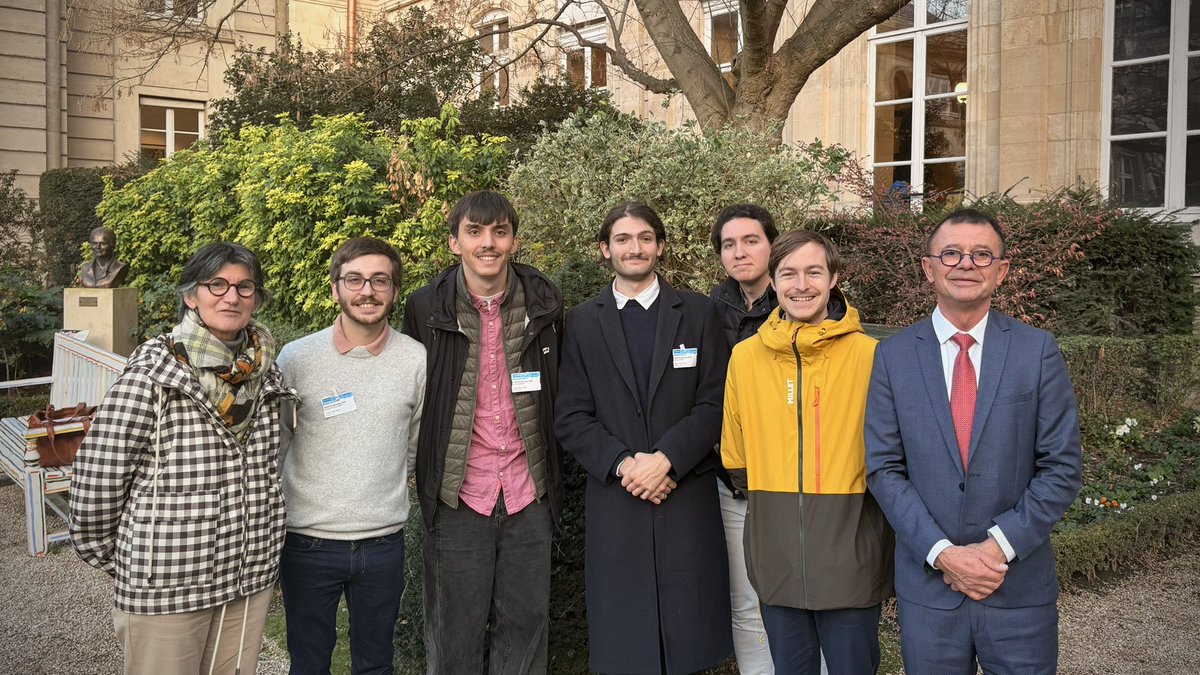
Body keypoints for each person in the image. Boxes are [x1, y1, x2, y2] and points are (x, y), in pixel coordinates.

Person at [865, 209, 1082, 673]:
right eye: (951, 253)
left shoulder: (1036, 351)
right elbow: (884, 468)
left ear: (1001, 271)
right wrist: (943, 554)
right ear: (928, 268)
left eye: (982, 254)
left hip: (1017, 587)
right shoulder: (892, 357)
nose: (966, 263)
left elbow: (1061, 466)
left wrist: (996, 548)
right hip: (930, 594)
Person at [71, 242, 293, 675]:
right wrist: (139, 560)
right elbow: (98, 480)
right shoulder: (153, 375)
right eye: (217, 285)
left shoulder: (266, 372)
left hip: (247, 578)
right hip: (167, 585)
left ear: (256, 298)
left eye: (244, 287)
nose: (231, 297)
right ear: (192, 296)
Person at [555, 202, 733, 674]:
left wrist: (667, 458)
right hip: (619, 497)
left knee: (690, 638)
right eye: (622, 239)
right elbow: (571, 415)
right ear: (604, 249)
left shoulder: (698, 313)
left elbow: (716, 402)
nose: (634, 248)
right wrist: (627, 464)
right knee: (627, 643)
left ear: (660, 246)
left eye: (645, 238)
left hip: (684, 492)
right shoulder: (582, 322)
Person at [401, 190, 564, 674]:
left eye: (499, 231)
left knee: (525, 632)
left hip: (528, 493)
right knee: (454, 635)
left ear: (514, 241)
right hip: (458, 496)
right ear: (454, 243)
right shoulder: (425, 307)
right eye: (474, 232)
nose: (487, 242)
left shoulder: (545, 303)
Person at [721, 230, 893, 674]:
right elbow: (736, 458)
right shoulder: (745, 357)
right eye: (788, 273)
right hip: (775, 559)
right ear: (773, 281)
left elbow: (892, 458)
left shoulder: (872, 356)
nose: (801, 285)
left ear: (834, 277)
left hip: (850, 559)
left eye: (814, 272)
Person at [276, 237, 426, 674]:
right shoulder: (297, 358)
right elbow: (277, 442)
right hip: (308, 542)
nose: (367, 291)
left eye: (380, 280)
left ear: (394, 290)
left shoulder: (416, 359)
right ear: (335, 288)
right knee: (308, 664)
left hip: (383, 543)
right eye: (355, 280)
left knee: (376, 664)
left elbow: (412, 444)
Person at [708, 204, 778, 675]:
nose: (740, 252)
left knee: (802, 595)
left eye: (751, 241)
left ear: (772, 244)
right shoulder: (712, 308)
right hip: (731, 477)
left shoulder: (799, 300)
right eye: (729, 244)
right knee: (745, 599)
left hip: (790, 478)